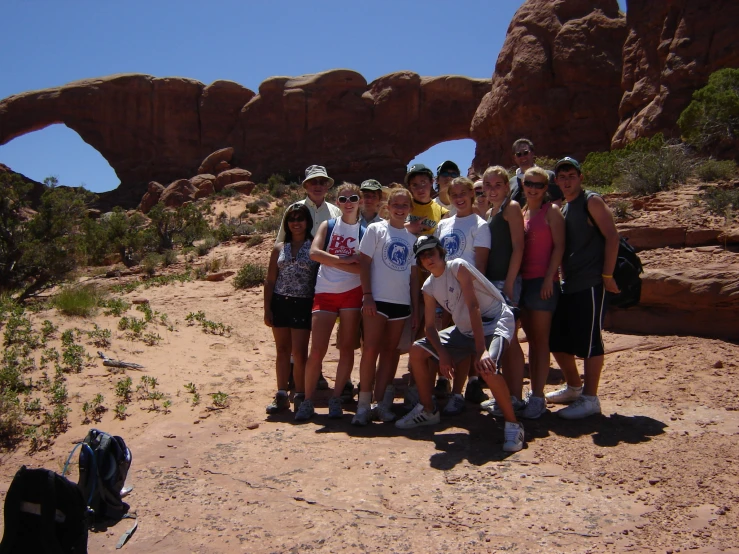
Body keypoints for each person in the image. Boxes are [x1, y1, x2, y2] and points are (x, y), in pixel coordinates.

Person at [395, 236, 525, 453]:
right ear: (420, 263)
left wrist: (481, 350)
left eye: (432, 253)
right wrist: (443, 354)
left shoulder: (458, 267)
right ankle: (428, 410)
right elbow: (429, 328)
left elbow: (473, 306)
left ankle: (513, 424)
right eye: (423, 256)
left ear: (441, 253)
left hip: (493, 323)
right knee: (417, 350)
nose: (428, 258)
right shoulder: (429, 286)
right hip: (464, 330)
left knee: (487, 367)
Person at [547, 157, 620, 419]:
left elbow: (612, 236)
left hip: (590, 282)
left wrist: (608, 275)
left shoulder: (591, 200)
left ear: (580, 177)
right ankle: (574, 387)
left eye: (571, 176)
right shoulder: (565, 208)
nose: (567, 181)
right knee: (556, 338)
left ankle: (591, 398)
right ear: (557, 181)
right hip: (569, 284)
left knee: (590, 341)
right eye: (562, 177)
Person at [296, 183, 365, 421]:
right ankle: (307, 400)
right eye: (344, 199)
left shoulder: (365, 230)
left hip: (352, 293)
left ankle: (335, 398)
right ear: (337, 202)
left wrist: (333, 261)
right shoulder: (329, 225)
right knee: (317, 350)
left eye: (353, 198)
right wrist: (345, 260)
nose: (349, 203)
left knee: (346, 348)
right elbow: (314, 253)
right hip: (324, 291)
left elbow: (364, 269)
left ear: (360, 201)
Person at [354, 187, 419, 425]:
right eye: (396, 205)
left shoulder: (413, 241)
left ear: (410, 209)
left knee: (391, 354)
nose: (400, 210)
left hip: (401, 303)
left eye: (405, 206)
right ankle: (363, 405)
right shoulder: (376, 229)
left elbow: (413, 278)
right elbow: (363, 263)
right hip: (377, 300)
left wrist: (415, 310)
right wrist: (367, 295)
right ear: (388, 207)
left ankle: (380, 404)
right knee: (370, 350)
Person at [275, 164, 342, 391]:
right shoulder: (294, 209)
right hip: (297, 280)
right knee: (297, 330)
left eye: (322, 182)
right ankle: (297, 373)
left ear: (327, 186)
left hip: (325, 278)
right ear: (305, 185)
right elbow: (280, 243)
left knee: (318, 327)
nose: (318, 186)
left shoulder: (335, 212)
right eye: (313, 182)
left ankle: (316, 371)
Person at [435, 177, 491, 412]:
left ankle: (459, 393)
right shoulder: (443, 225)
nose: (458, 198)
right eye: (453, 194)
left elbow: (481, 266)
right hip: (443, 291)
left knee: (465, 341)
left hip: (466, 292)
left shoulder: (480, 225)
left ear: (471, 194)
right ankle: (443, 383)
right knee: (444, 339)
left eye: (462, 194)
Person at [517, 167, 565, 419]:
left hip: (542, 282)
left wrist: (550, 278)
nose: (533, 188)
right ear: (523, 184)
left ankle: (537, 396)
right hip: (522, 282)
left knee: (541, 340)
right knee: (530, 340)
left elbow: (559, 246)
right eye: (529, 183)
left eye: (538, 184)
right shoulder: (522, 212)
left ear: (546, 188)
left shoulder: (551, 211)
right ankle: (532, 392)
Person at [264, 204, 319, 414]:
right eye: (292, 219)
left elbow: (318, 279)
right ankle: (281, 394)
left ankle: (301, 396)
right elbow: (270, 280)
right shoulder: (279, 248)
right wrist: (267, 309)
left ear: (307, 222)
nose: (296, 223)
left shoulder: (314, 246)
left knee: (299, 352)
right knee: (282, 351)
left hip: (303, 304)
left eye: (300, 219)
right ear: (287, 223)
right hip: (280, 302)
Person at [481, 166, 526, 414]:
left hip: (507, 283)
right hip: (492, 283)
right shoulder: (490, 212)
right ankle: (505, 395)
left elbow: (518, 247)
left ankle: (515, 398)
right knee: (502, 338)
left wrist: (510, 283)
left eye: (498, 185)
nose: (493, 190)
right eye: (488, 185)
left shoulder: (512, 208)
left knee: (510, 341)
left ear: (506, 187)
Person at [508, 138, 563, 208]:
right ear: (514, 158)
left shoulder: (548, 176)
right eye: (519, 154)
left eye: (525, 153)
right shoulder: (511, 182)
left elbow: (557, 205)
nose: (523, 157)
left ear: (532, 153)